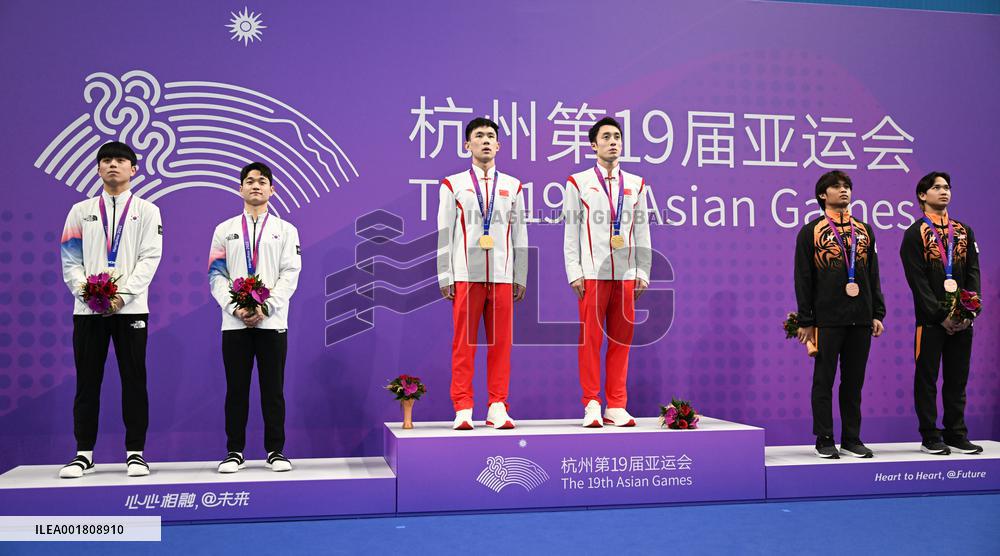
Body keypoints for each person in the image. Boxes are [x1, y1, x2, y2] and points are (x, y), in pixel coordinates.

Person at [59, 141, 163, 478]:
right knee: (88, 381)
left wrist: (122, 296)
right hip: (88, 311)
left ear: (134, 169)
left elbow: (150, 258)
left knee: (134, 380)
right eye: (106, 160)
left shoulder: (148, 211)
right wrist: (88, 294)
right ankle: (83, 453)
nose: (113, 165)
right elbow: (70, 259)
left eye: (120, 160)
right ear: (98, 168)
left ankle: (135, 453)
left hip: (131, 311)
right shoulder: (80, 211)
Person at [208, 162, 302, 472]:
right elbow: (216, 275)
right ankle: (234, 451)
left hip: (272, 322)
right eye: (249, 181)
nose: (256, 186)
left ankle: (275, 451)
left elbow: (291, 274)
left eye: (262, 181)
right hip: (234, 323)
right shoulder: (224, 230)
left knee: (272, 389)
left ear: (272, 189)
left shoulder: (286, 230)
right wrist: (235, 308)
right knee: (236, 389)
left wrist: (266, 307)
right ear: (240, 189)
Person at [437, 117, 528, 430]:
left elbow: (521, 234)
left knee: (501, 344)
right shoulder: (453, 184)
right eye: (479, 136)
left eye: (491, 136)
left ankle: (497, 404)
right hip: (465, 275)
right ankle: (463, 406)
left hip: (502, 276)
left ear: (499, 145)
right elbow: (444, 233)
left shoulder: (513, 186)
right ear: (467, 145)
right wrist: (445, 275)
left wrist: (521, 274)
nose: (486, 141)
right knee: (464, 344)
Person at [562, 117, 651, 428]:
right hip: (592, 274)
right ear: (593, 145)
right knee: (590, 341)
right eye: (606, 137)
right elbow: (571, 230)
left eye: (617, 137)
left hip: (625, 274)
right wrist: (574, 270)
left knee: (622, 341)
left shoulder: (636, 184)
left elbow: (642, 229)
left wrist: (643, 270)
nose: (613, 141)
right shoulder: (578, 182)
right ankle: (591, 403)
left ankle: (617, 404)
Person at [793, 171, 885, 459]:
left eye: (846, 186)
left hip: (860, 317)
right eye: (836, 186)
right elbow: (803, 278)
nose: (843, 190)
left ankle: (851, 438)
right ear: (823, 195)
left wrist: (877, 312)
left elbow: (873, 275)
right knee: (824, 380)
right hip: (827, 318)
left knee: (854, 381)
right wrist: (807, 320)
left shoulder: (865, 230)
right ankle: (824, 438)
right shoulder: (811, 231)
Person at [900, 172, 982, 455]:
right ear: (923, 195)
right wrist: (939, 315)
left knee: (957, 379)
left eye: (947, 187)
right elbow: (918, 282)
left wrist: (969, 310)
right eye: (936, 188)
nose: (944, 192)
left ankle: (956, 432)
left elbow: (972, 273)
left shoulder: (963, 231)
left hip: (962, 320)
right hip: (931, 322)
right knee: (927, 378)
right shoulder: (915, 233)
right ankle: (930, 435)